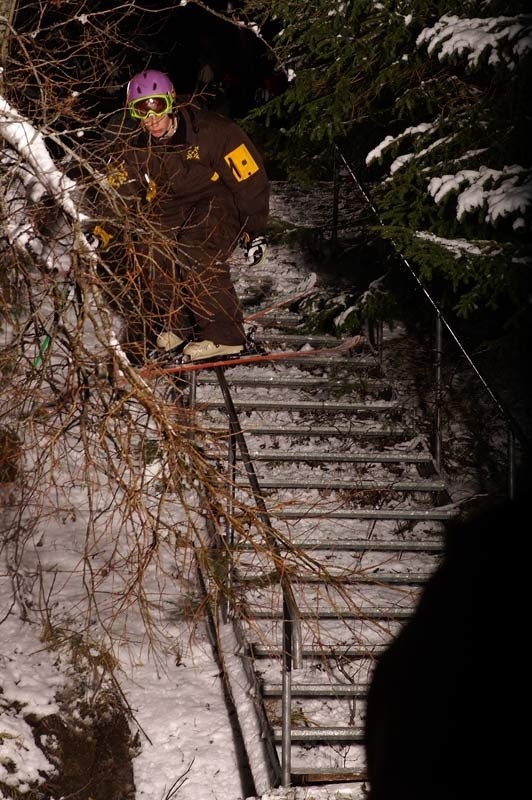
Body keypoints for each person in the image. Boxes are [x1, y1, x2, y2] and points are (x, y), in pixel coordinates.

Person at [91, 69, 269, 363]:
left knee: (195, 249)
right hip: (168, 207)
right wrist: (100, 231)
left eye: (157, 106)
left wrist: (254, 230)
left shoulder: (212, 131)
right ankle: (178, 326)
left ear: (170, 101)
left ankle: (227, 336)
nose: (152, 119)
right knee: (152, 248)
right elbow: (117, 194)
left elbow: (249, 178)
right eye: (141, 110)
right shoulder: (132, 147)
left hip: (216, 201)